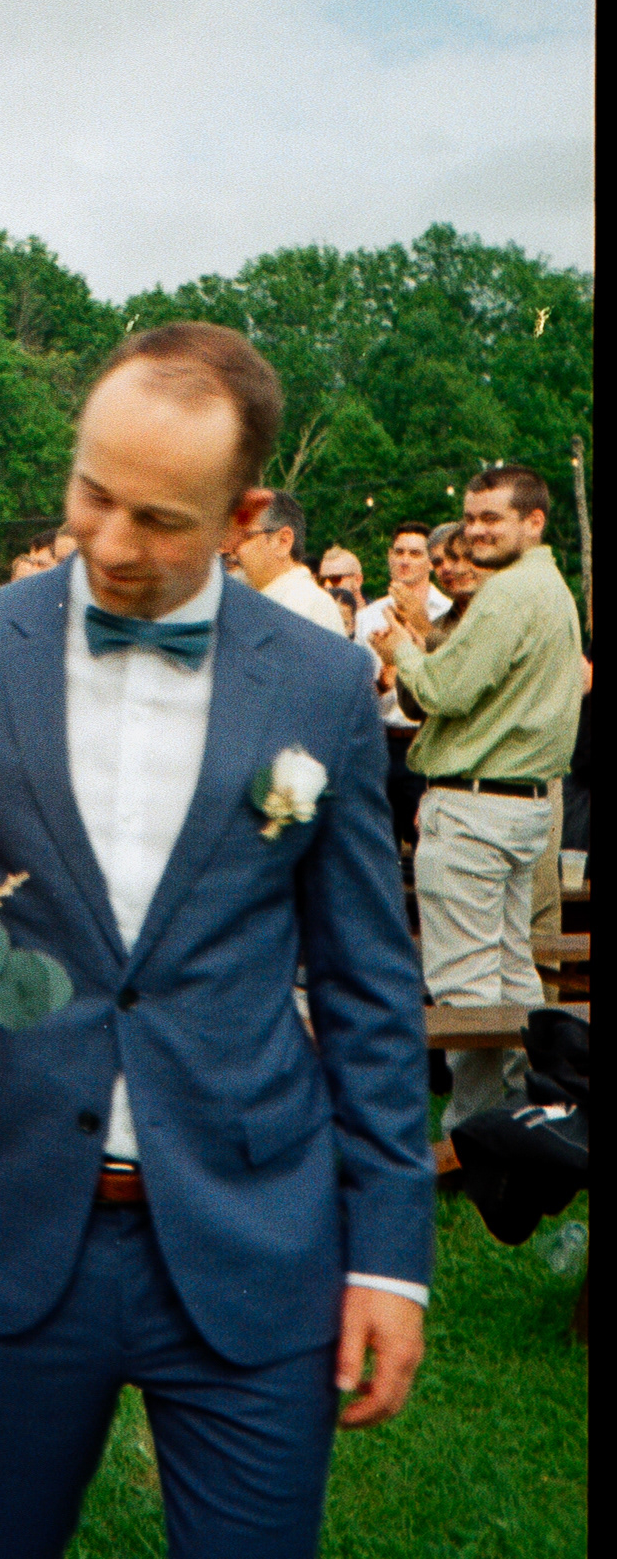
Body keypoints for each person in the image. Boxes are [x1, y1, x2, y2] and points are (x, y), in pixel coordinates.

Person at [0, 321, 432, 1559]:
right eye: (91, 494)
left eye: (160, 519)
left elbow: (368, 986)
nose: (111, 541)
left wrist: (387, 1256)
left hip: (253, 1238)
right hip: (9, 1230)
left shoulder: (317, 685)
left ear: (244, 518)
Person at [371, 466, 583, 1157]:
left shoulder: (509, 593)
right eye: (470, 517)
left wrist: (402, 650)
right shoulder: (548, 587)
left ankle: (474, 1144)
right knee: (513, 975)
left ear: (533, 521)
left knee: (467, 989)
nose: (476, 530)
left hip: (477, 809)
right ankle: (532, 1120)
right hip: (518, 808)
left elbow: (444, 691)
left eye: (493, 517)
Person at [356, 523, 453, 853]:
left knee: (429, 845)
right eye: (399, 552)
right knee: (377, 845)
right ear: (389, 556)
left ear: (430, 562)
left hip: (426, 739)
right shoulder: (369, 616)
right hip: (383, 741)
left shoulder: (447, 612)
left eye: (415, 553)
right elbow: (359, 694)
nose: (405, 560)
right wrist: (384, 681)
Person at [228, 490, 348, 634]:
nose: (232, 549)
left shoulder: (308, 606)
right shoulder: (242, 603)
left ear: (283, 541)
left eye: (244, 537)